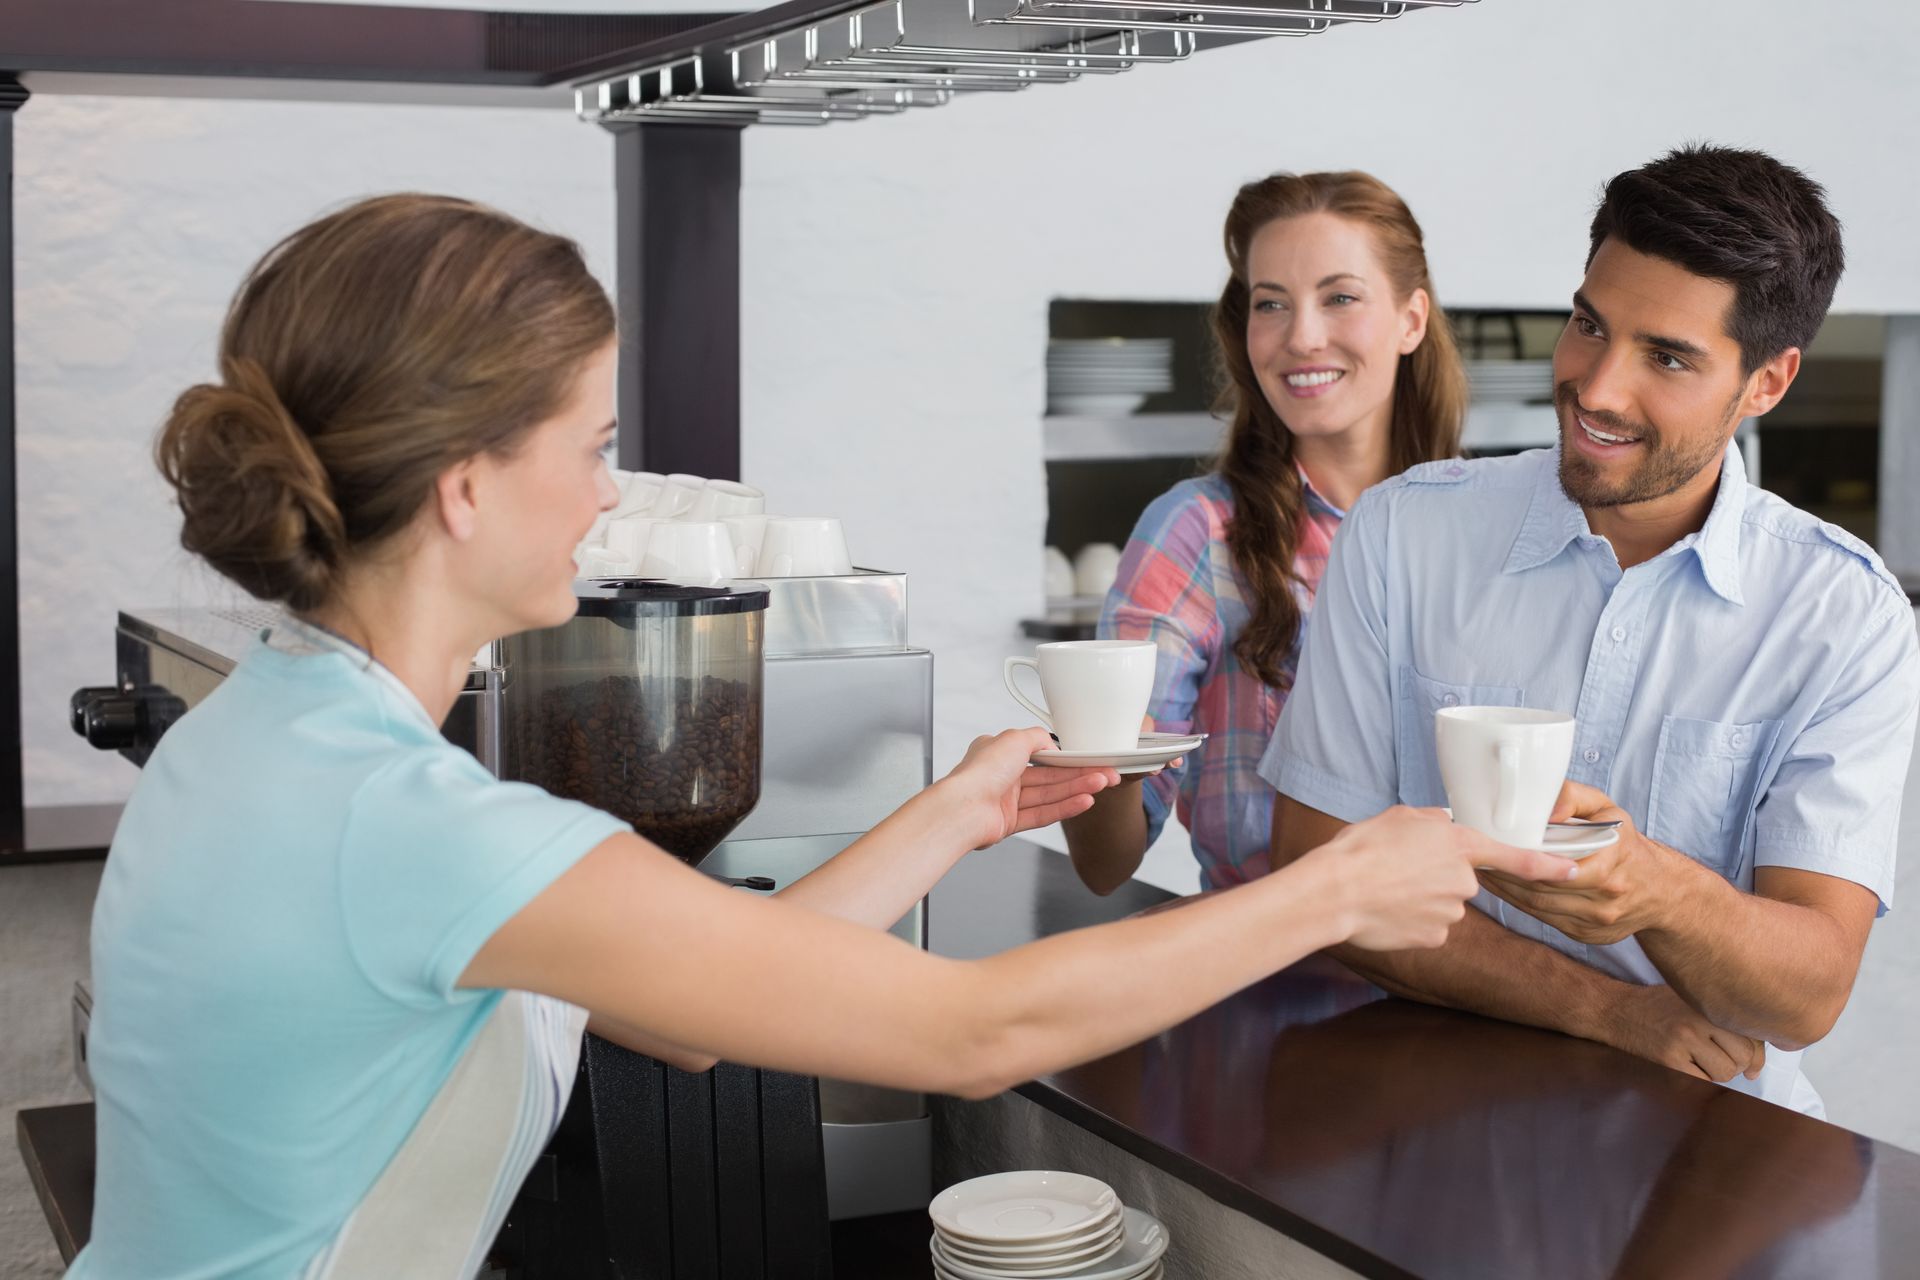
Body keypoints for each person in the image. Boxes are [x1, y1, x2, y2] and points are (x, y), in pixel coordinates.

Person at [71, 194, 1576, 1279]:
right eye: (591, 447)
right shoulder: (417, 826)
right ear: (465, 485)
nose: (610, 497)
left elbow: (694, 1004)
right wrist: (1339, 888)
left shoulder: (276, 732)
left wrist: (965, 810)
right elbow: (974, 1034)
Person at [1261, 145, 1920, 1114]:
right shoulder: (1405, 531)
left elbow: (1810, 988)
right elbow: (1318, 864)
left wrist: (1658, 890)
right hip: (1417, 1115)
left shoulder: (1844, 616)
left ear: (1768, 382)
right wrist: (1605, 1007)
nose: (1598, 387)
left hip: (1712, 1151)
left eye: (1667, 356)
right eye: (1588, 323)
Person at [1063, 171, 1467, 895]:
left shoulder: (1487, 527)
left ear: (1411, 320)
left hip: (1481, 976)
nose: (1301, 338)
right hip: (1272, 977)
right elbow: (1104, 863)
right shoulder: (1197, 532)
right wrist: (1095, 742)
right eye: (1271, 304)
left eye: (1339, 297)